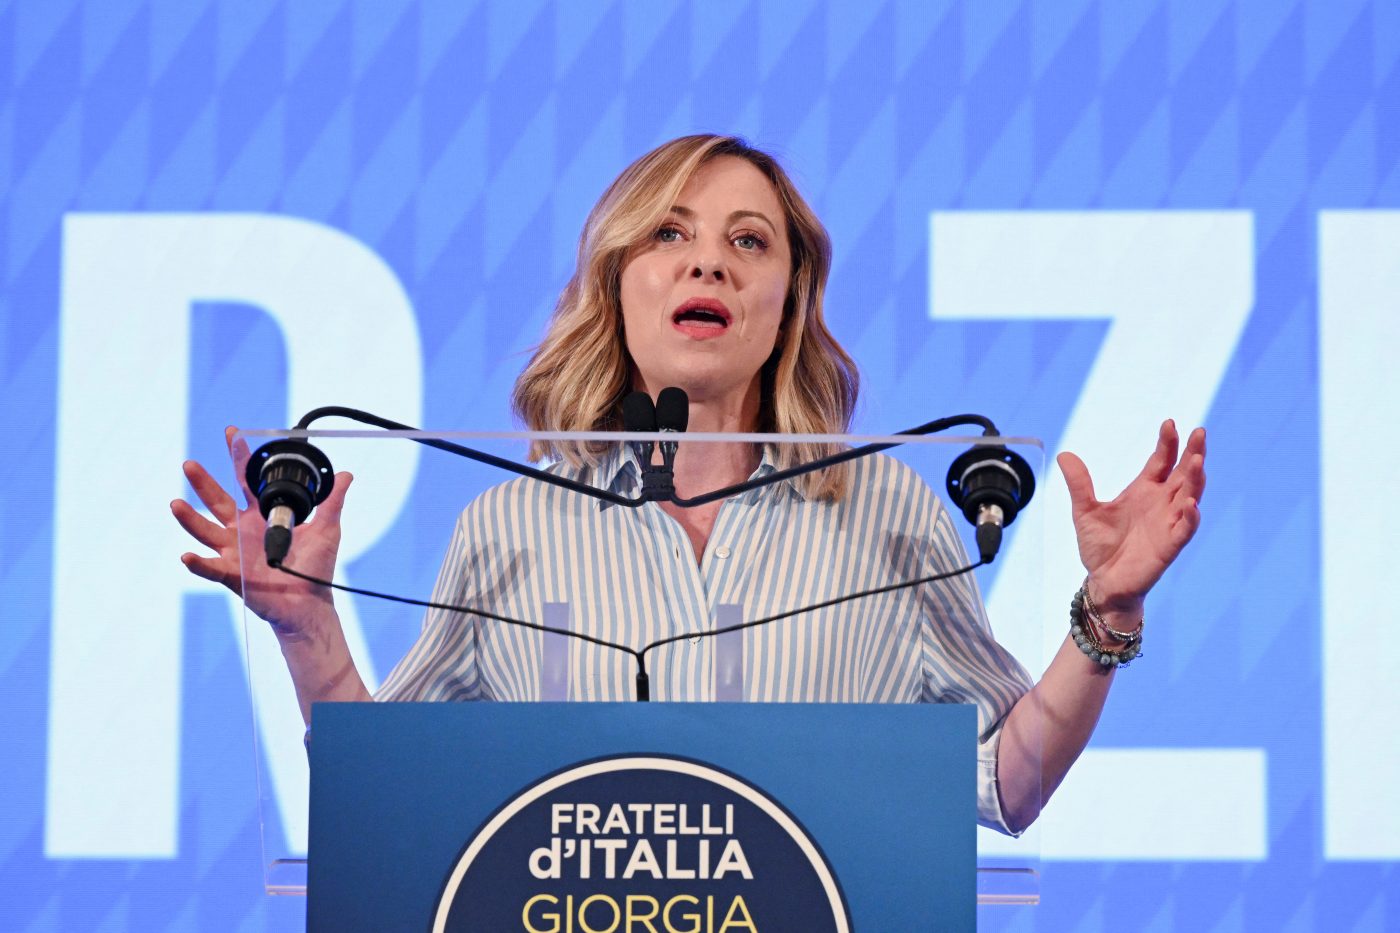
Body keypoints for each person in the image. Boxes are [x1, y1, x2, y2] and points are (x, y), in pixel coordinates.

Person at [171, 135, 1206, 834]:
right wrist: (306, 627)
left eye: (746, 242)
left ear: (784, 301)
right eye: (669, 234)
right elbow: (393, 799)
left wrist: (1102, 612)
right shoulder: (512, 524)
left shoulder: (885, 514)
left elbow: (1003, 783)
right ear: (618, 281)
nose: (706, 264)